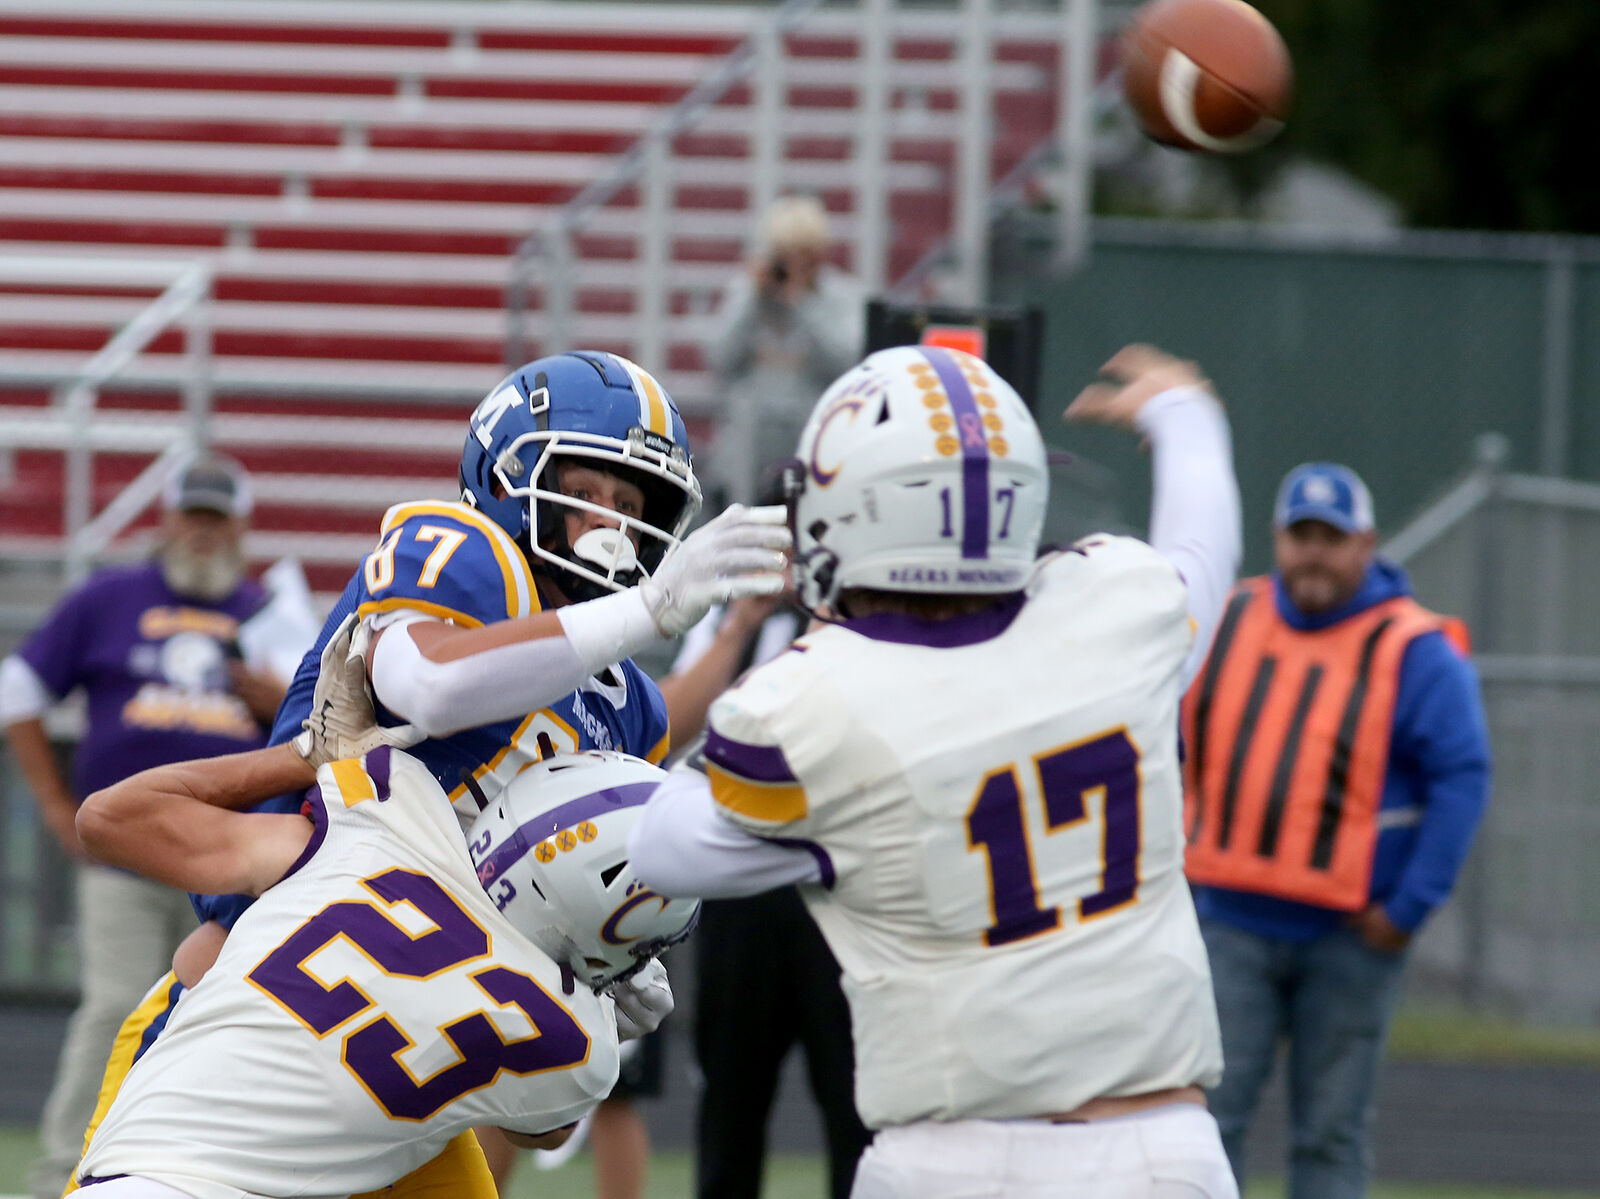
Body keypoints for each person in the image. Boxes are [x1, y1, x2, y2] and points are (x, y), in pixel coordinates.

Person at [77, 351, 788, 1199]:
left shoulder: (629, 704)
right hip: (263, 1003)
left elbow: (560, 954)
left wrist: (607, 969)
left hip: (416, 1060)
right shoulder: (465, 549)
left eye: (629, 505)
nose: (608, 522)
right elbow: (432, 681)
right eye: (588, 491)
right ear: (512, 470)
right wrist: (643, 612)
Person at [629, 342, 1245, 1197]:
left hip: (952, 1158)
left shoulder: (814, 698)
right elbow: (1200, 550)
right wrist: (1187, 419)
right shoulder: (1117, 605)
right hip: (1159, 1151)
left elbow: (659, 845)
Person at [67, 616, 696, 1199]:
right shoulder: (575, 1042)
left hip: (147, 1171)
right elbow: (548, 1125)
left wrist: (303, 756)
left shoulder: (384, 817)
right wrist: (601, 1002)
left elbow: (106, 818)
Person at [1181, 462, 1492, 1198]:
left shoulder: (1411, 646)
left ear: (1366, 543)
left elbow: (1463, 774)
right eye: (1301, 535)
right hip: (1229, 921)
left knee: (1329, 1134)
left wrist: (1411, 905)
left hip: (1350, 935)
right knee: (1202, 1126)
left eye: (1332, 536)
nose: (1314, 552)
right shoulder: (1227, 615)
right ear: (1277, 539)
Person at [0, 456, 290, 1199]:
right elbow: (17, 688)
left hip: (235, 860)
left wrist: (274, 694)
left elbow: (320, 730)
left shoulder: (274, 616)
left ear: (241, 527)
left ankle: (196, 1174)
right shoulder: (108, 598)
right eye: (190, 514)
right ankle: (61, 1171)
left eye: (215, 517)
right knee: (116, 1004)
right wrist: (53, 800)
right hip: (129, 853)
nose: (200, 529)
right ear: (166, 519)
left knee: (228, 1016)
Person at [658, 584, 872, 1199]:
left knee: (856, 1108)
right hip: (743, 894)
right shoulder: (734, 623)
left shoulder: (874, 621)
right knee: (730, 1105)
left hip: (840, 889)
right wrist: (742, 622)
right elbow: (677, 737)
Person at [708, 194, 866, 506]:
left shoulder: (843, 298)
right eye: (785, 255)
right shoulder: (748, 293)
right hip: (748, 448)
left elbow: (849, 361)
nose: (794, 265)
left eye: (803, 256)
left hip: (816, 444)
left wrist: (801, 303)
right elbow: (718, 356)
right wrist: (753, 298)